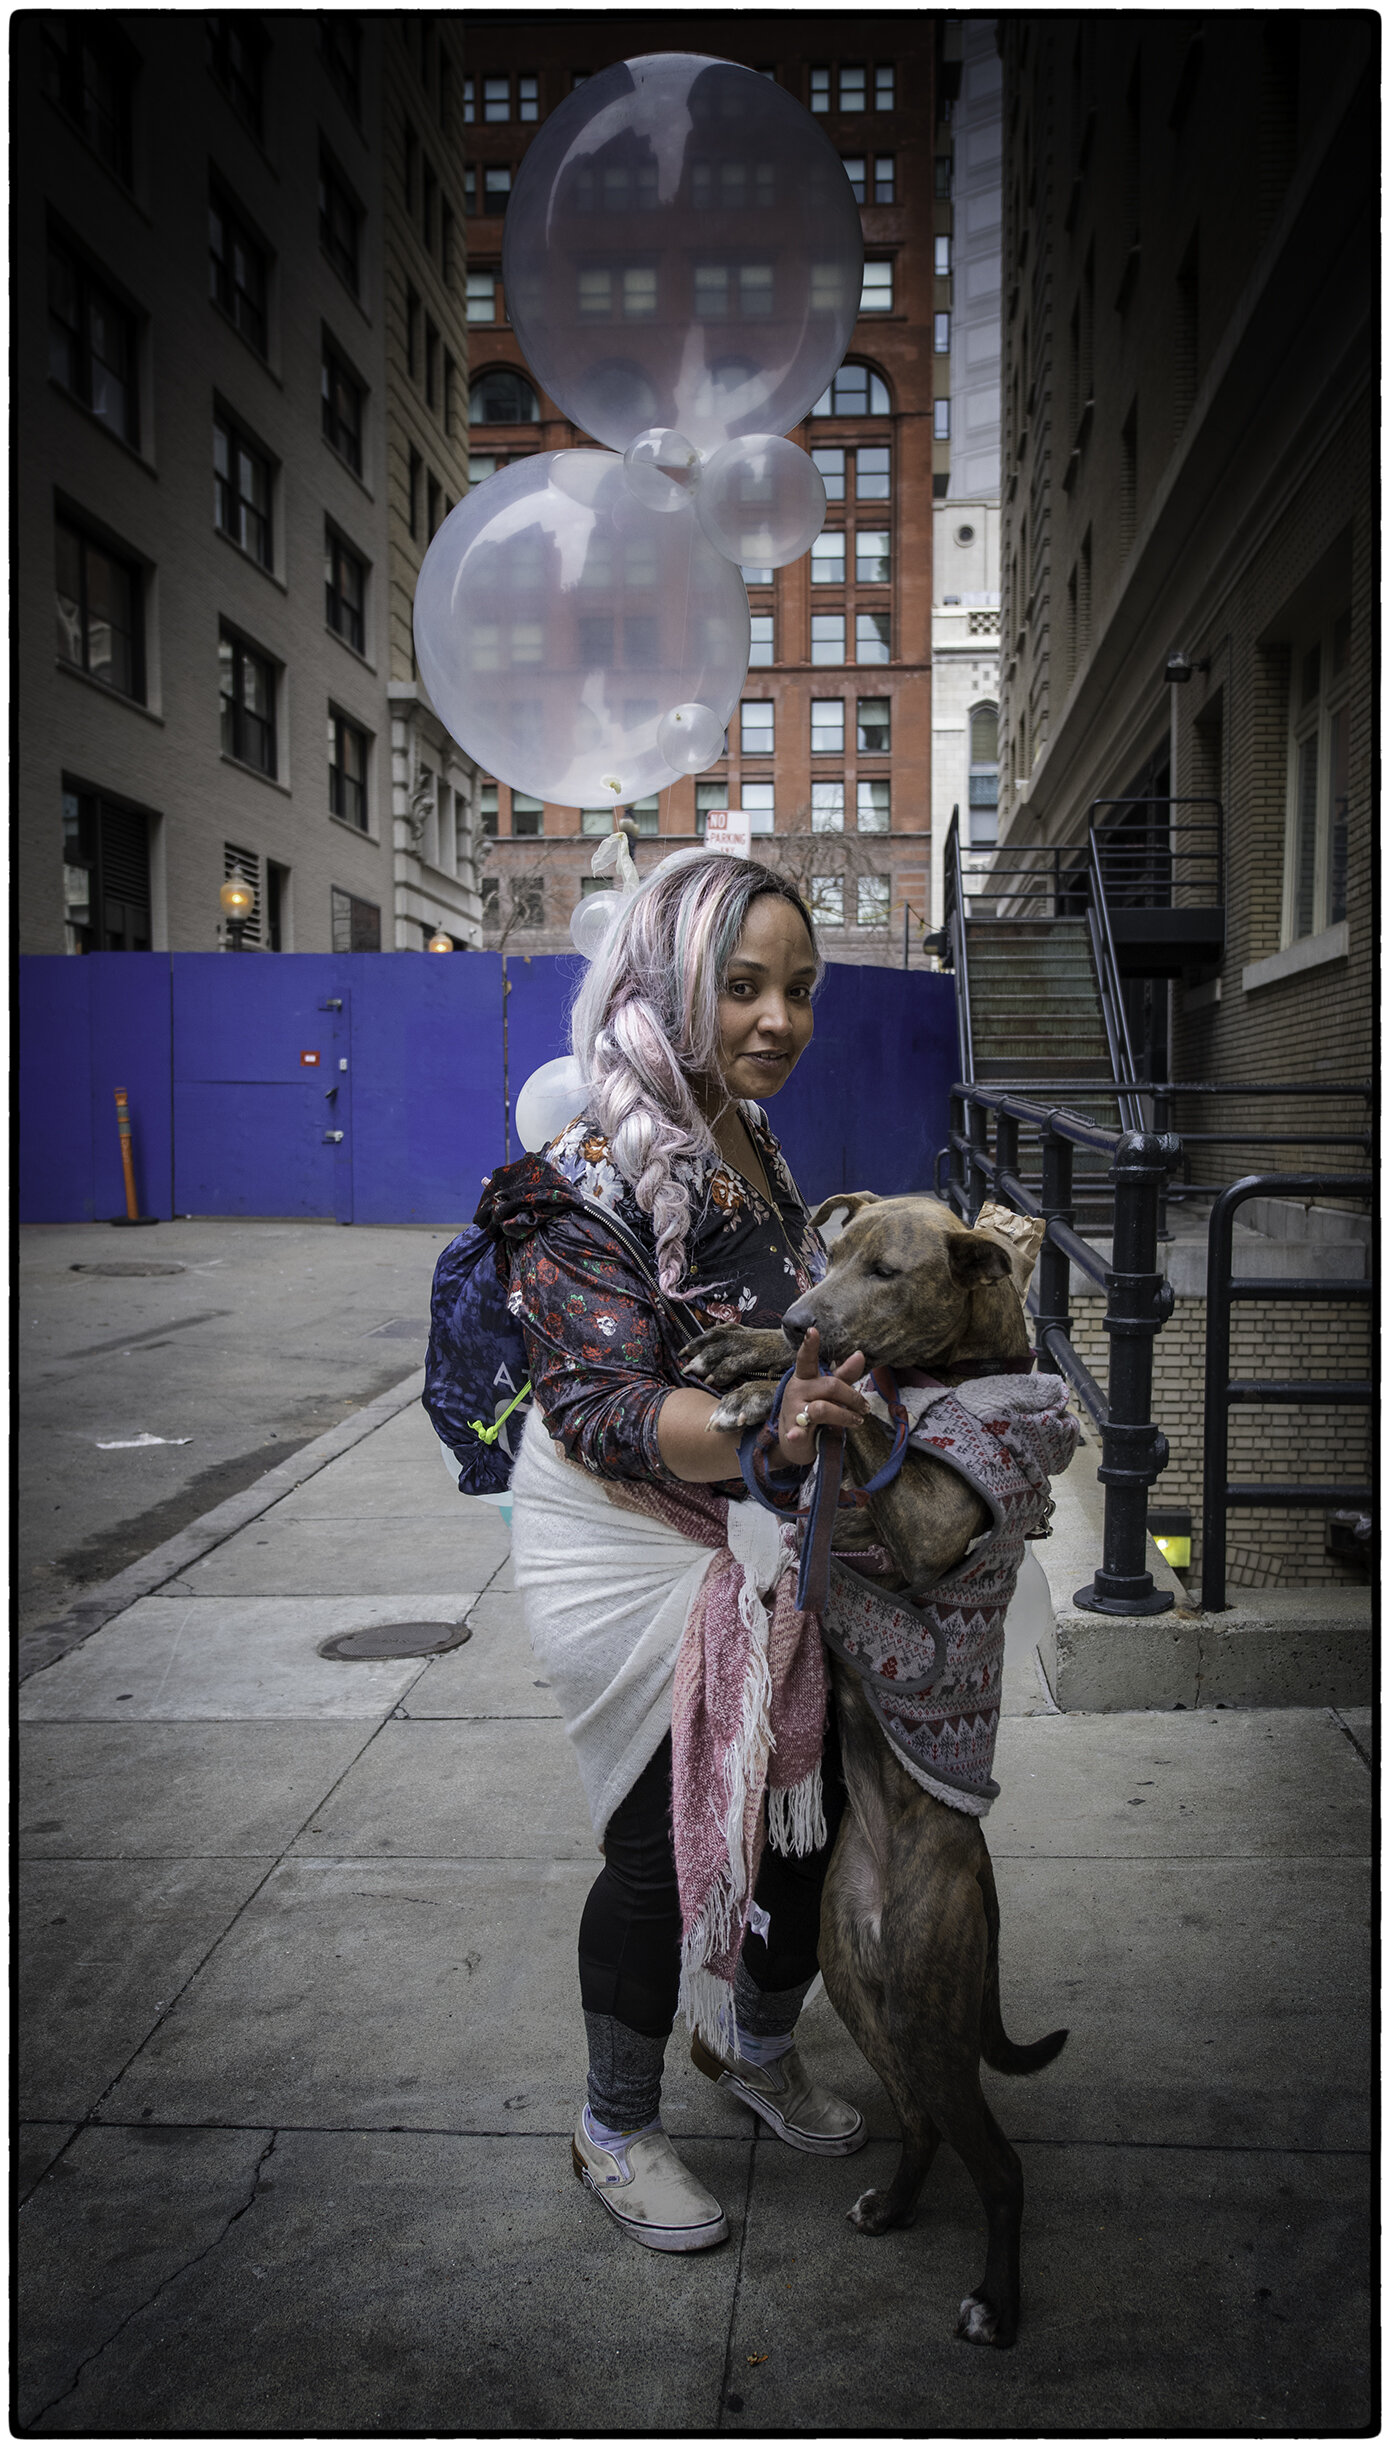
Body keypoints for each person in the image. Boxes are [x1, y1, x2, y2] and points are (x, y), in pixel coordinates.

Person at [488, 848, 873, 2255]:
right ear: (666, 983)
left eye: (799, 991)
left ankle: (756, 2049)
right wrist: (774, 1418)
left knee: (799, 1802)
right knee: (664, 1841)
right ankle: (612, 2126)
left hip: (750, 1513)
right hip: (619, 1533)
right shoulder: (572, 1170)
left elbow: (770, 1306)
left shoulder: (745, 1132)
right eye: (742, 987)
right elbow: (597, 1409)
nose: (777, 1020)